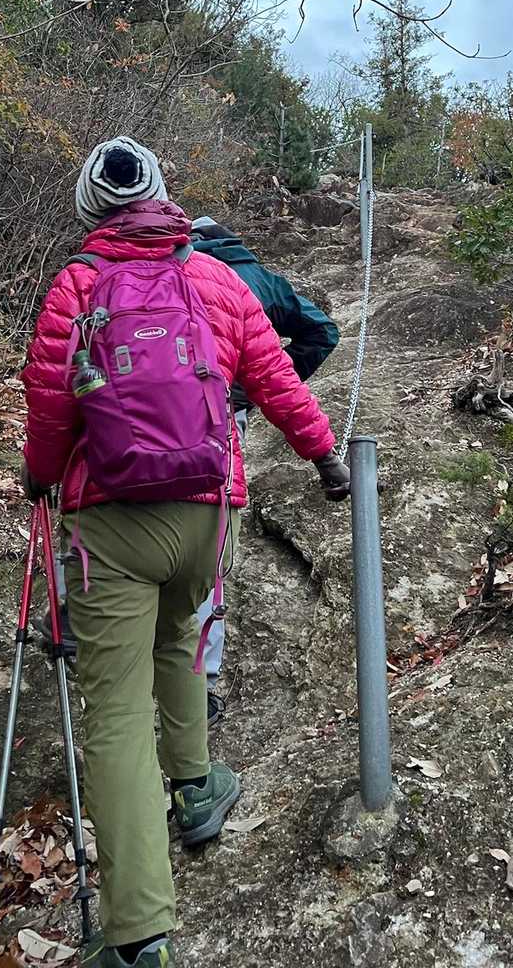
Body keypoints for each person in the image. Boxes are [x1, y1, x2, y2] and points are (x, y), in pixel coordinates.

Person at [21, 136, 350, 968]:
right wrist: (324, 457)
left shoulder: (77, 285)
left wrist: (39, 477)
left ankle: (137, 937)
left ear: (90, 207)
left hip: (111, 522)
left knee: (116, 714)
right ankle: (198, 788)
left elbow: (50, 403)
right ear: (163, 195)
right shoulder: (216, 278)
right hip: (207, 512)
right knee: (177, 637)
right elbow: (276, 377)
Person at [189, 216, 339, 720]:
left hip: (144, 423)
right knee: (208, 553)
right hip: (225, 417)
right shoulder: (261, 279)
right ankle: (202, 685)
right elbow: (322, 331)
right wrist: (256, 387)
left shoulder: (166, 270)